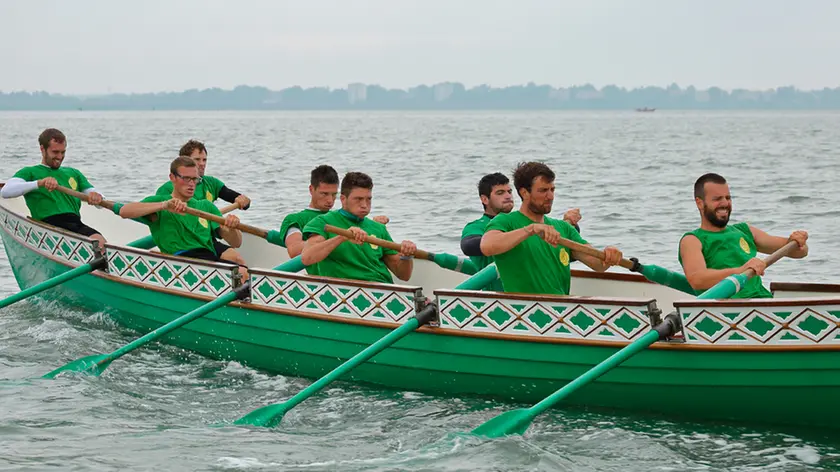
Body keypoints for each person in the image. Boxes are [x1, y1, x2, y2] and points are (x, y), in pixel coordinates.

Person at [480, 161, 623, 295]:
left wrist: (610, 254)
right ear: (524, 193)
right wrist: (531, 229)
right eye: (543, 190)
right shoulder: (506, 221)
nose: (550, 196)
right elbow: (487, 246)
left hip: (560, 312)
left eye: (552, 190)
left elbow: (598, 265)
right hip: (522, 312)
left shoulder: (564, 228)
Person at [678, 173, 808, 298]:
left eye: (728, 198)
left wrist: (797, 240)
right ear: (700, 203)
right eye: (717, 199)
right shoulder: (692, 240)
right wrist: (741, 270)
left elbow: (798, 252)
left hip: (763, 302)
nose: (725, 203)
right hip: (728, 310)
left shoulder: (745, 231)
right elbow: (698, 279)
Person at [119, 156, 248, 279]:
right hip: (177, 263)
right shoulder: (160, 201)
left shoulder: (205, 206)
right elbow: (124, 211)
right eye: (186, 179)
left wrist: (231, 228)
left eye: (195, 179)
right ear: (172, 178)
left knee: (243, 272)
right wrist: (164, 206)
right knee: (239, 274)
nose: (192, 184)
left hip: (207, 259)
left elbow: (236, 242)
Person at [460, 172, 583, 291]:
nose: (508, 196)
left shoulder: (527, 224)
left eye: (509, 191)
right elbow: (468, 246)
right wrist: (508, 242)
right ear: (485, 199)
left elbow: (560, 253)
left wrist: (569, 225)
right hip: (497, 299)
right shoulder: (477, 226)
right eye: (500, 193)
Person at [301, 172, 417, 283]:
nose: (364, 205)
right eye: (359, 199)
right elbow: (307, 258)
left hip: (384, 290)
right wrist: (343, 237)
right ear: (343, 199)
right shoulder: (322, 222)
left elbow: (404, 276)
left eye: (368, 199)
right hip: (346, 293)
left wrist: (406, 257)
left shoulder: (378, 228)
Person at [1, 128, 107, 250]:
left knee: (100, 242)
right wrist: (39, 183)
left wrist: (97, 196)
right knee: (95, 242)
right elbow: (6, 191)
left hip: (74, 223)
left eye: (63, 152)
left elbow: (97, 199)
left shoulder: (73, 173)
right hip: (47, 228)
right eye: (55, 152)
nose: (60, 157)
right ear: (42, 149)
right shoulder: (30, 172)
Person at [156, 139, 251, 264]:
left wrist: (244, 200)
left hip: (207, 237)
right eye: (197, 160)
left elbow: (237, 198)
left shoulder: (210, 183)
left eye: (204, 160)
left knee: (237, 260)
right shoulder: (166, 189)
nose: (202, 164)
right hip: (183, 241)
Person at [278, 165, 390, 262]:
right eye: (324, 194)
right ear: (311, 190)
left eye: (333, 195)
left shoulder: (339, 218)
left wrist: (374, 228)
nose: (330, 200)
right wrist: (330, 238)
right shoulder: (295, 219)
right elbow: (295, 251)